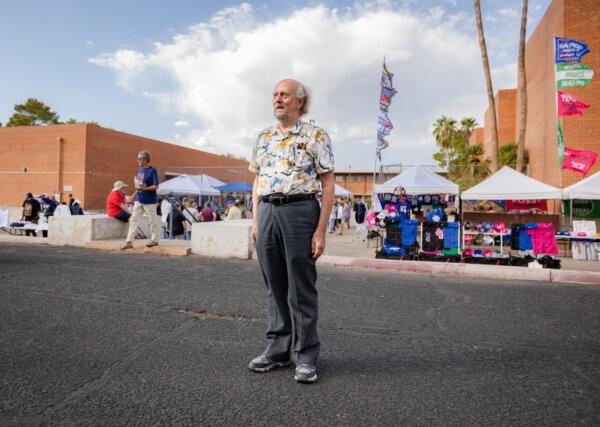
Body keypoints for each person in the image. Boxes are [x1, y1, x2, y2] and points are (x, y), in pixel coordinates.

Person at [247, 79, 335, 383]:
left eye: (284, 94)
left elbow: (328, 185)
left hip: (300, 211)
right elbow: (257, 182)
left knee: (301, 287)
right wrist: (256, 221)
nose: (277, 99)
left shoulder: (315, 135)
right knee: (274, 285)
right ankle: (277, 349)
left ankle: (306, 355)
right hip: (268, 211)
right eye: (274, 94)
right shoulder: (263, 137)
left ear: (299, 101)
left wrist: (320, 231)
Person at [121, 151, 161, 250]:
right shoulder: (140, 169)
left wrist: (145, 189)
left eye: (139, 159)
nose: (137, 160)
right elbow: (139, 184)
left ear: (146, 160)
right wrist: (134, 195)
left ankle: (154, 240)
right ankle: (129, 242)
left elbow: (156, 186)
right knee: (134, 220)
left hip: (150, 201)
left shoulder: (152, 171)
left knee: (152, 221)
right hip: (139, 199)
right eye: (137, 158)